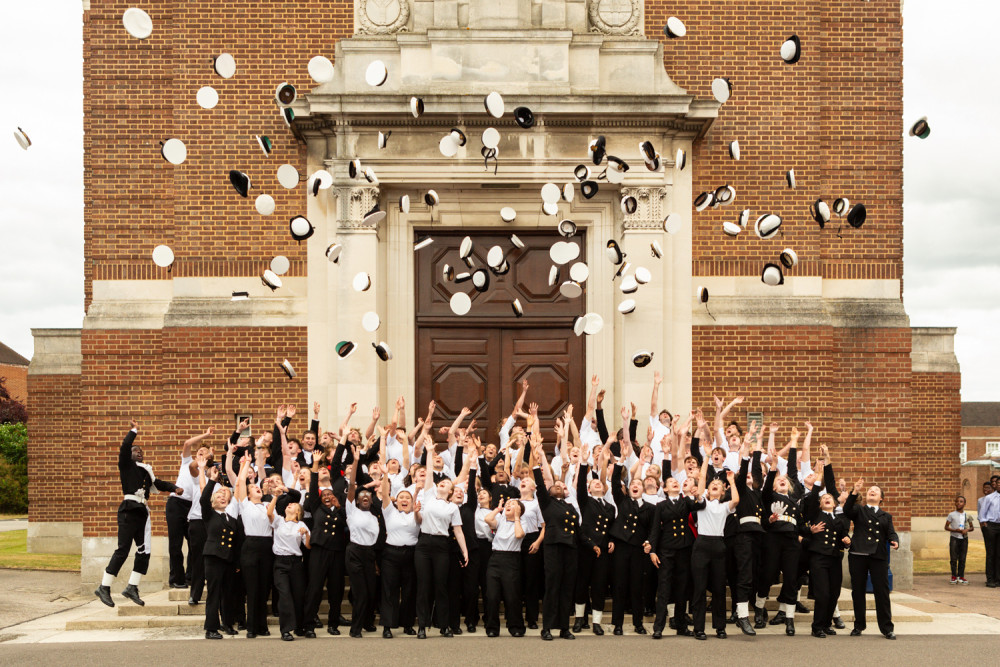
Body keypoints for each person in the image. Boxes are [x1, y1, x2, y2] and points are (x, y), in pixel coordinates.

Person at [95, 421, 184, 608]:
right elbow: (125, 446)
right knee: (123, 549)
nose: (140, 452)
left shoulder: (146, 470)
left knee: (145, 551)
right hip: (129, 509)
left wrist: (174, 488)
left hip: (143, 512)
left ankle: (132, 587)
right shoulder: (126, 466)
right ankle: (104, 586)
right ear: (129, 454)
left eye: (141, 451)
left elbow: (157, 483)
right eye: (136, 450)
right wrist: (133, 431)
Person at [414, 443, 469, 638]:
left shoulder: (452, 508)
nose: (442, 484)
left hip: (441, 545)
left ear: (452, 490)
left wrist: (465, 552)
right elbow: (429, 473)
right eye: (441, 483)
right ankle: (422, 625)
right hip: (424, 544)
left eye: (446, 484)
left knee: (441, 586)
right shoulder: (429, 495)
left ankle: (444, 625)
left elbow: (458, 531)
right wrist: (429, 452)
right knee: (423, 585)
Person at [530, 432, 579, 640]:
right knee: (552, 587)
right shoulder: (547, 503)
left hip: (570, 548)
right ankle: (547, 627)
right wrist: (537, 456)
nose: (558, 487)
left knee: (567, 588)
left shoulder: (570, 506)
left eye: (561, 486)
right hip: (553, 547)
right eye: (555, 486)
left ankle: (564, 628)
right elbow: (541, 484)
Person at [800, 446, 849, 638]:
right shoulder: (815, 512)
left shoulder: (839, 518)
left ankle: (827, 623)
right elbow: (816, 493)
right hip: (818, 558)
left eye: (830, 498)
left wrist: (847, 541)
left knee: (834, 593)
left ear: (835, 503)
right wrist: (818, 475)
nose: (827, 498)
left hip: (835, 558)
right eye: (825, 498)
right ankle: (817, 627)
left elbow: (845, 535)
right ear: (820, 503)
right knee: (822, 594)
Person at [690, 456, 739, 640]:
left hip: (719, 545)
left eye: (719, 484)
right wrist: (706, 459)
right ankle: (699, 628)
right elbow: (702, 480)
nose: (715, 485)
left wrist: (732, 482)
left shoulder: (725, 506)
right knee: (700, 588)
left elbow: (735, 499)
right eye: (713, 484)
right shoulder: (703, 503)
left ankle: (720, 627)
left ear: (722, 491)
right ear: (708, 491)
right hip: (702, 545)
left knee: (719, 588)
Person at [844, 477, 899, 639]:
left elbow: (891, 532)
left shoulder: (886, 516)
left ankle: (887, 628)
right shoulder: (859, 510)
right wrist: (854, 491)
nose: (872, 491)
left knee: (881, 592)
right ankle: (858, 625)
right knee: (858, 591)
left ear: (881, 498)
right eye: (869, 490)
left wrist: (895, 539)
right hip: (858, 554)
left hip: (878, 556)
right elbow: (847, 510)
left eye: (875, 490)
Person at [379, 432, 420, 638]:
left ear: (412, 502)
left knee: (410, 590)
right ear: (397, 501)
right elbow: (385, 494)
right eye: (402, 496)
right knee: (390, 590)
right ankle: (387, 626)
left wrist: (418, 495)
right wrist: (385, 474)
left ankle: (407, 624)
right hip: (391, 555)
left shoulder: (416, 515)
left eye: (408, 497)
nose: (404, 499)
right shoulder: (390, 511)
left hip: (411, 554)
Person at [303, 452, 348, 636]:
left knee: (336, 589)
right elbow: (314, 487)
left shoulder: (341, 510)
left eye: (331, 494)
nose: (328, 496)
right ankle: (308, 625)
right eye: (325, 494)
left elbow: (347, 522)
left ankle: (333, 623)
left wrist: (339, 507)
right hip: (319, 551)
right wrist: (314, 466)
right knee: (314, 588)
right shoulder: (316, 506)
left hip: (337, 552)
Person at [166, 426, 215, 589]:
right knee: (175, 543)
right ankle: (176, 578)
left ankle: (190, 576)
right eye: (199, 451)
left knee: (194, 544)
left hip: (192, 508)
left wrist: (209, 455)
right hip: (176, 504)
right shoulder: (187, 461)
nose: (201, 453)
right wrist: (206, 435)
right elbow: (187, 443)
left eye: (204, 452)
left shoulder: (206, 472)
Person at [233, 448, 274, 638]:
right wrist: (246, 463)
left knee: (264, 588)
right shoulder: (245, 505)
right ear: (248, 494)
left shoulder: (267, 505)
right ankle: (251, 627)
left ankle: (262, 625)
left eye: (258, 487)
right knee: (252, 588)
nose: (257, 487)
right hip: (250, 546)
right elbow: (240, 481)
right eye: (253, 488)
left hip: (267, 546)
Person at [574, 451, 615, 635]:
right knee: (582, 585)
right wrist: (583, 464)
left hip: (603, 552)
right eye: (593, 483)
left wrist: (612, 540)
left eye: (600, 482)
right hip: (586, 548)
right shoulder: (585, 501)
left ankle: (596, 622)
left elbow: (612, 528)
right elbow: (581, 485)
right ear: (589, 489)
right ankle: (579, 619)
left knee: (599, 586)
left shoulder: (610, 507)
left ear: (604, 489)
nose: (597, 483)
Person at [344, 438, 381, 638]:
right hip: (354, 552)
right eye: (361, 496)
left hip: (369, 554)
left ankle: (367, 622)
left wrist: (374, 560)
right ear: (357, 500)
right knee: (360, 593)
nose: (365, 497)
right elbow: (352, 484)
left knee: (370, 592)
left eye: (368, 496)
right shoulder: (352, 511)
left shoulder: (374, 516)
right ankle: (355, 629)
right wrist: (356, 461)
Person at [199, 459, 240, 639]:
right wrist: (213, 481)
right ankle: (211, 628)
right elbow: (203, 499)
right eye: (218, 497)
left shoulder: (232, 519)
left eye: (225, 496)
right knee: (214, 594)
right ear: (213, 501)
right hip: (213, 558)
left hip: (228, 559)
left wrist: (236, 562)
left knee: (228, 594)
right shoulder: (209, 515)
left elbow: (237, 542)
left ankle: (227, 624)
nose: (222, 498)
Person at [267, 491, 311, 641]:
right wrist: (275, 496)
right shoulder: (279, 521)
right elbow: (269, 513)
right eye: (288, 504)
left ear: (298, 512)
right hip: (280, 563)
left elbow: (308, 546)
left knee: (298, 596)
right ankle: (286, 630)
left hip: (296, 563)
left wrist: (307, 534)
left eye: (293, 504)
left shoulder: (301, 524)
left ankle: (300, 626)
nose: (289, 504)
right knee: (284, 595)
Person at [483, 498, 527, 637]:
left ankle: (516, 627)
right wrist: (498, 509)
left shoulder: (523, 522)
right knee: (492, 595)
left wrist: (517, 517)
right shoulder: (500, 520)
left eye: (512, 504)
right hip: (495, 558)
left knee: (512, 596)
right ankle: (492, 628)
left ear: (519, 509)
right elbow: (487, 519)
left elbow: (519, 534)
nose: (508, 505)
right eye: (507, 503)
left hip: (511, 559)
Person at [946, 495, 974, 585]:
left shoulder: (967, 515)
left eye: (961, 501)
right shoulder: (951, 515)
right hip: (954, 538)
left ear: (964, 504)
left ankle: (961, 576)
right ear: (955, 503)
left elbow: (972, 527)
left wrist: (967, 530)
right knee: (954, 558)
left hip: (964, 539)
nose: (959, 503)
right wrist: (955, 530)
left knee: (962, 558)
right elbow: (946, 527)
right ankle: (954, 576)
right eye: (957, 501)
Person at [978, 476, 1000, 588]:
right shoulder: (990, 498)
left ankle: (998, 579)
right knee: (991, 553)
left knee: (999, 554)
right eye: (998, 483)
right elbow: (982, 514)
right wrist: (985, 525)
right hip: (991, 526)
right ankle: (990, 579)